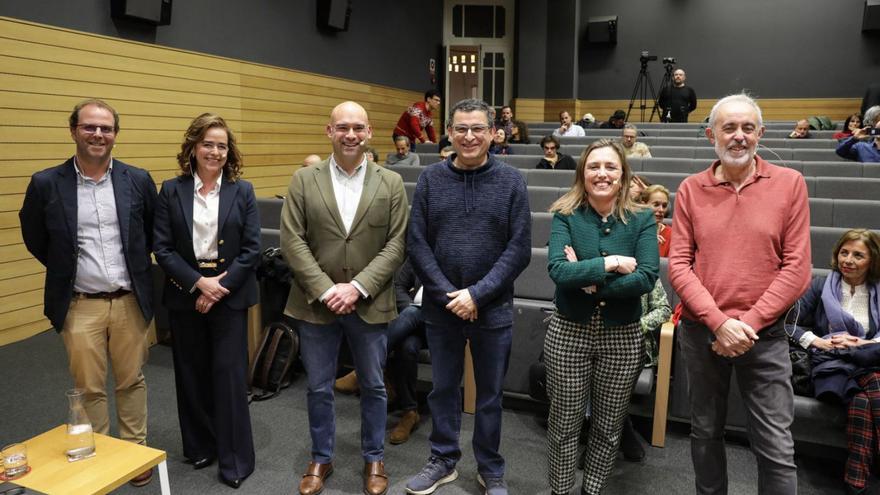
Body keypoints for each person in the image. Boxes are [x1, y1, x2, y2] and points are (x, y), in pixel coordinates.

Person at [669, 93, 811, 495]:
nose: (739, 136)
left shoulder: (790, 184)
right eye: (729, 127)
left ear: (761, 134)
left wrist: (744, 325)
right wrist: (719, 323)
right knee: (705, 434)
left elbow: (797, 268)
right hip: (702, 334)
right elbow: (679, 265)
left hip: (764, 337)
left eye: (748, 128)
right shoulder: (691, 190)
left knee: (775, 446)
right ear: (711, 133)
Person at [18, 98, 157, 487]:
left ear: (115, 134)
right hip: (79, 304)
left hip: (129, 300)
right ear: (74, 130)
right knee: (89, 388)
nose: (98, 134)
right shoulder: (46, 182)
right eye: (90, 127)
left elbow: (149, 231)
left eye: (106, 128)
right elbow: (35, 236)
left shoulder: (137, 179)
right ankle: (104, 454)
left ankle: (135, 451)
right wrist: (65, 268)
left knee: (132, 380)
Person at [281, 101, 408, 495]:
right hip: (314, 302)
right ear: (329, 131)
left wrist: (356, 287)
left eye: (357, 128)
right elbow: (292, 240)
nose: (350, 135)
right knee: (319, 387)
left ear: (369, 132)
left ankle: (374, 458)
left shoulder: (391, 182)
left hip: (370, 302)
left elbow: (396, 244)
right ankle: (321, 456)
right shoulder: (304, 180)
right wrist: (326, 289)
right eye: (342, 128)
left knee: (373, 386)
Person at [405, 98, 531, 495]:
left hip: (492, 309)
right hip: (441, 309)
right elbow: (417, 243)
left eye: (478, 128)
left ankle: (490, 467)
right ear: (449, 132)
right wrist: (448, 296)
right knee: (443, 388)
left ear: (494, 133)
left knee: (490, 396)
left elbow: (519, 249)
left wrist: (476, 295)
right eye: (461, 128)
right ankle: (443, 459)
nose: (470, 136)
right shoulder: (430, 179)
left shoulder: (512, 181)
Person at [544, 138, 658, 495]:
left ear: (623, 174)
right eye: (594, 167)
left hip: (621, 336)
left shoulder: (641, 219)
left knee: (608, 425)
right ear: (583, 173)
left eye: (610, 167)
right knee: (564, 422)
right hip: (568, 332)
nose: (602, 173)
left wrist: (591, 281)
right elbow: (559, 272)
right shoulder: (566, 213)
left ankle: (592, 490)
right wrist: (610, 264)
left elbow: (647, 277)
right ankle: (560, 491)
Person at [153, 113, 259, 489]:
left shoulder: (241, 191)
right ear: (193, 147)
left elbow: (251, 250)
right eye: (207, 144)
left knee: (229, 377)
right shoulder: (171, 189)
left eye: (222, 145)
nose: (214, 151)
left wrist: (217, 288)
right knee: (191, 373)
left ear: (228, 152)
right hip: (186, 294)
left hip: (229, 296)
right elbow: (162, 250)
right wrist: (199, 284)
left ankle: (235, 460)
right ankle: (200, 446)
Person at [787, 229, 880, 494]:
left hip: (868, 360)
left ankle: (855, 481)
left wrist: (866, 343)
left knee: (863, 400)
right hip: (831, 365)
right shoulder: (820, 285)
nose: (848, 260)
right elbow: (789, 325)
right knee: (873, 384)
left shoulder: (878, 290)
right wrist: (817, 341)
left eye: (858, 255)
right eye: (844, 252)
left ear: (872, 260)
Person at [642, 184, 671, 257]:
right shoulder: (633, 232)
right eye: (656, 205)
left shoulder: (672, 235)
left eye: (664, 206)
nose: (661, 210)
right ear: (643, 205)